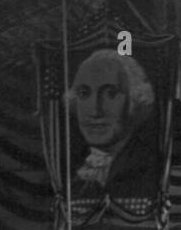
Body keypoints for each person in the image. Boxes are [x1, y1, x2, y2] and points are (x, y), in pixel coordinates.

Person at [66, 49, 159, 201]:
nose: (95, 111)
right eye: (84, 93)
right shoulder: (71, 165)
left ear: (136, 100)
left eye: (111, 94)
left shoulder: (147, 164)